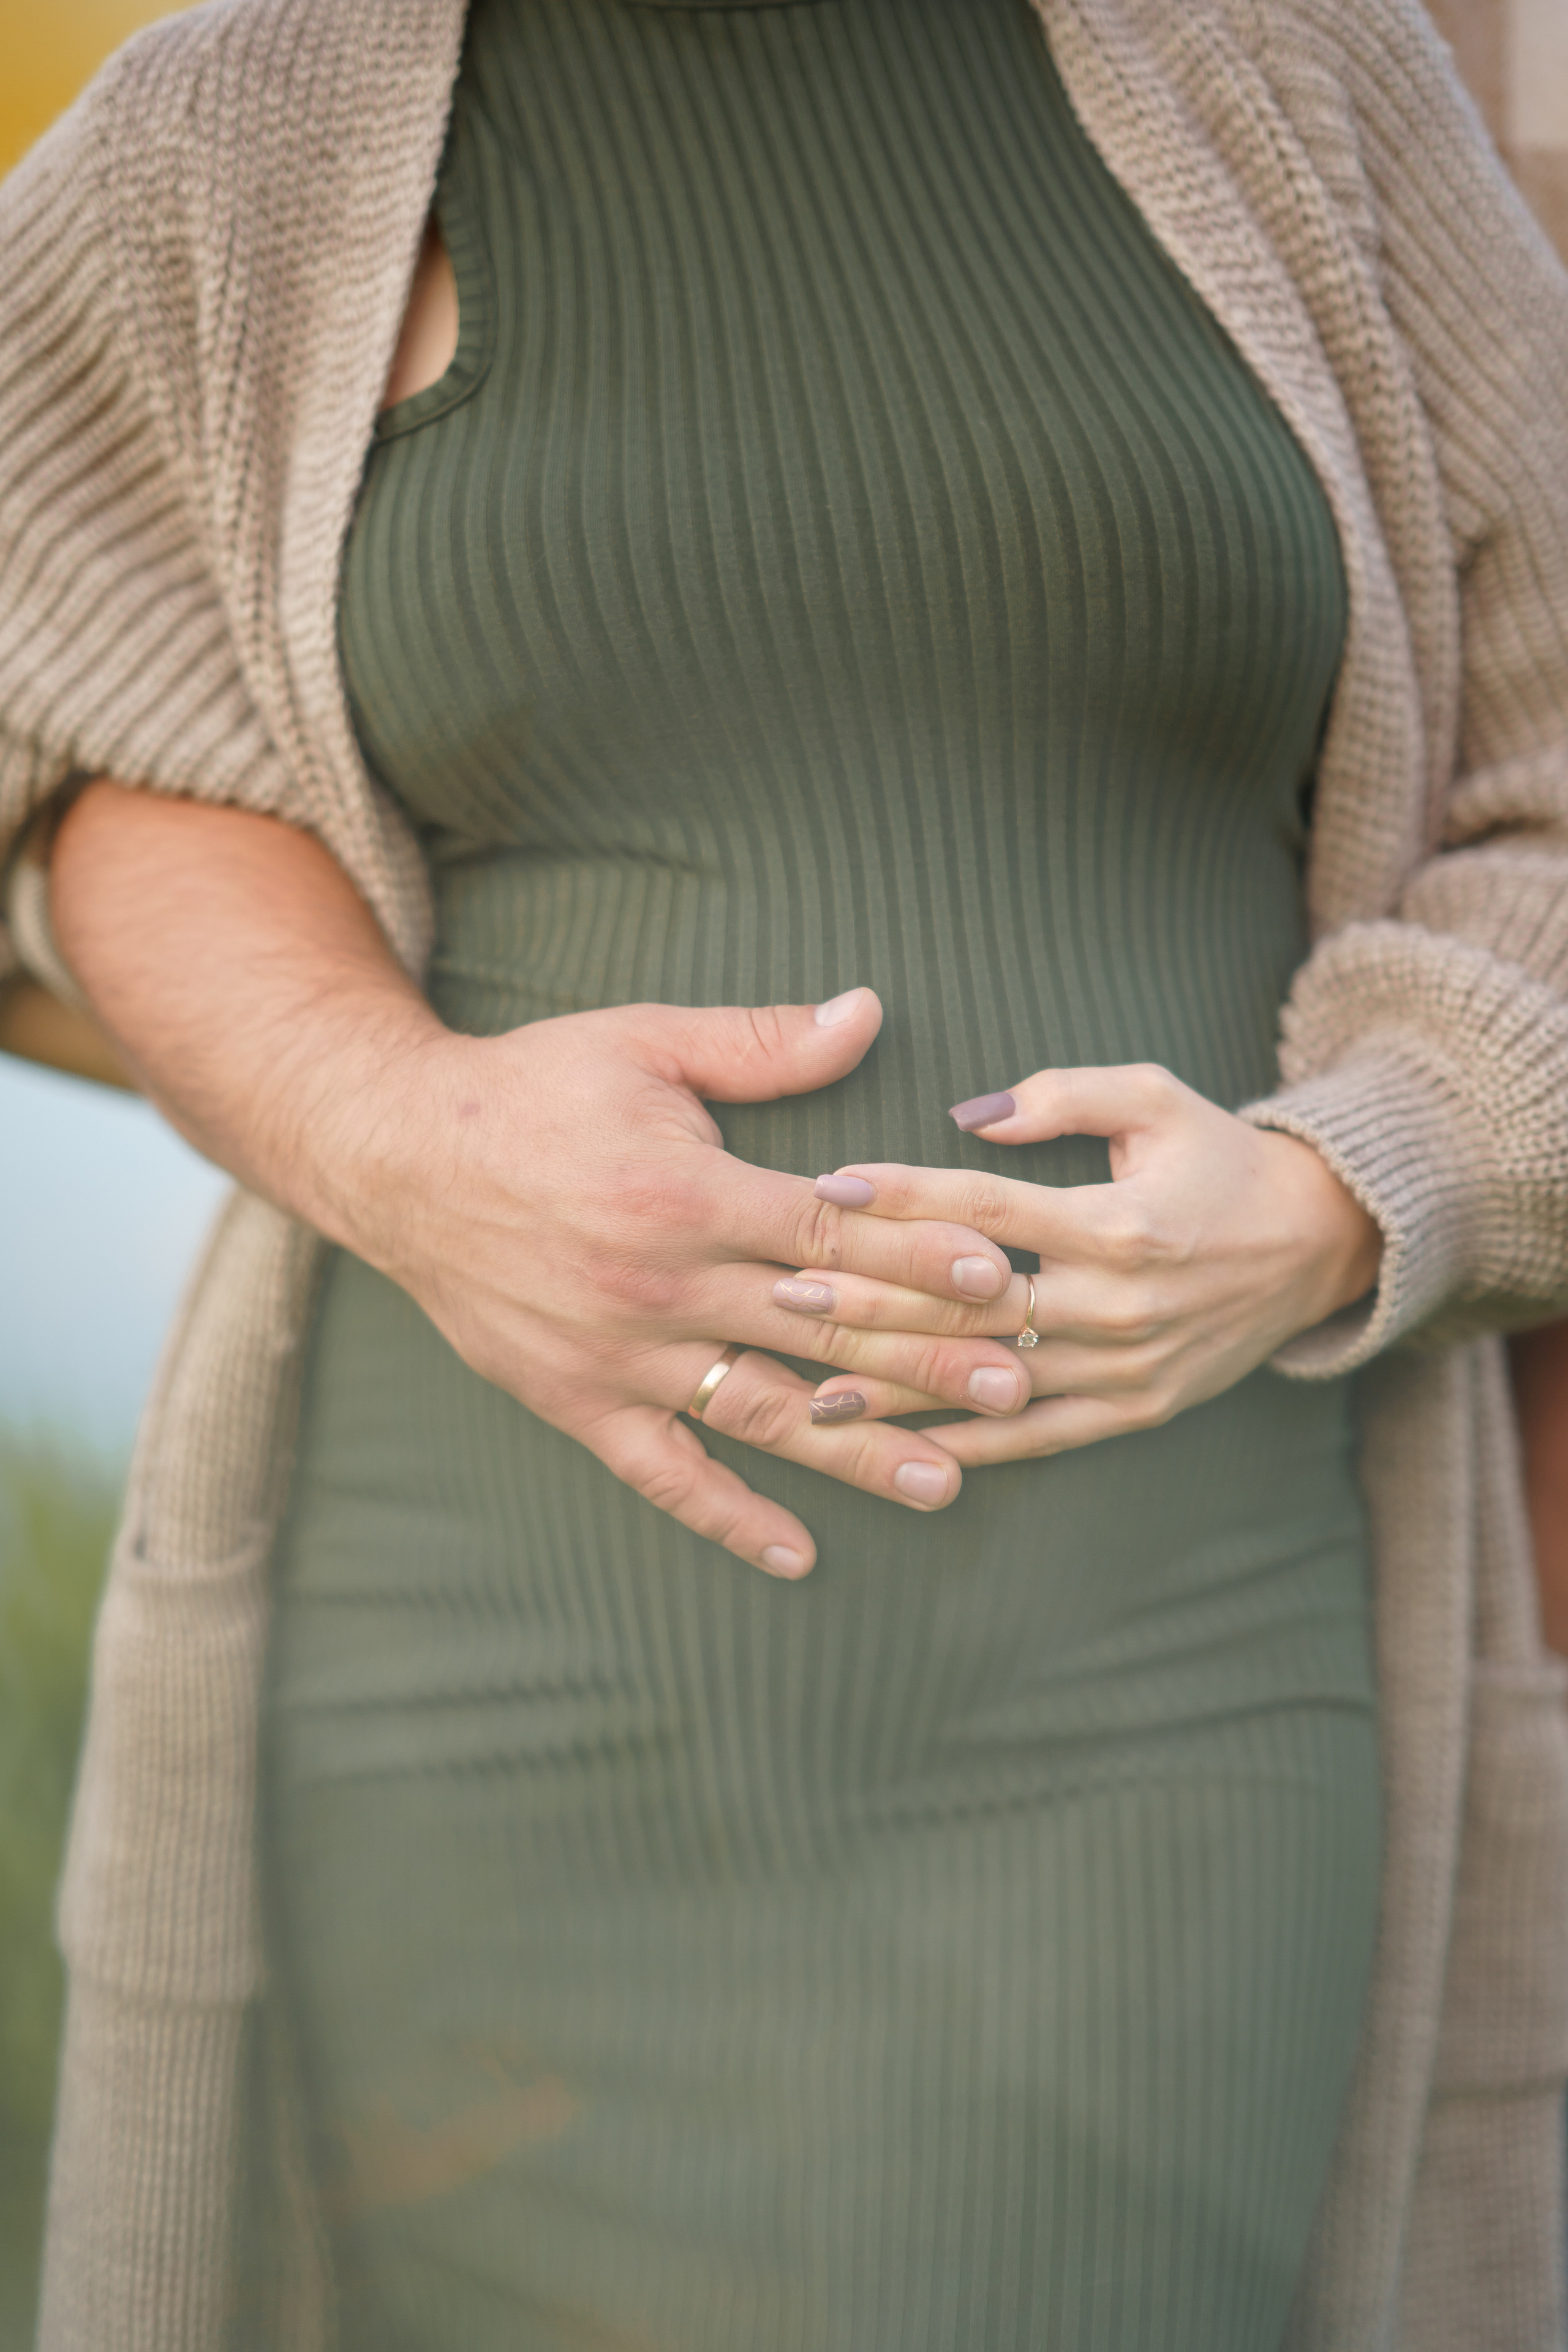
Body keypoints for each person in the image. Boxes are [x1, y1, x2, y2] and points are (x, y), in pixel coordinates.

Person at [3, 0, 1568, 2345]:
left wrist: (1357, 1185)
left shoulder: (1292, 62)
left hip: (1175, 1681)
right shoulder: (245, 116)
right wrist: (406, 1139)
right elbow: (73, 746)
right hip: (477, 1678)